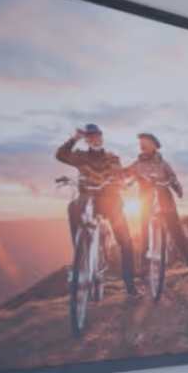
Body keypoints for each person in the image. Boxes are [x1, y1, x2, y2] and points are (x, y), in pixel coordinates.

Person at [55, 123, 136, 298]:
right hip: (88, 199)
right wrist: (73, 139)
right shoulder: (80, 156)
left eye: (97, 136)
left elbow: (121, 176)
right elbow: (61, 155)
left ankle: (130, 285)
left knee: (126, 242)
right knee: (73, 207)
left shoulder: (113, 158)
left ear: (102, 138)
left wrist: (125, 181)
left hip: (111, 202)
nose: (94, 139)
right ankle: (80, 254)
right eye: (90, 137)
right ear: (86, 140)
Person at [125, 132, 188, 282]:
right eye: (140, 143)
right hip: (145, 199)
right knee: (143, 229)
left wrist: (177, 188)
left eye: (145, 142)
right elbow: (125, 176)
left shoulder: (162, 163)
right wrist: (121, 182)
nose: (142, 145)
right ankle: (143, 267)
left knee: (176, 231)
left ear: (154, 145)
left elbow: (172, 177)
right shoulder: (137, 164)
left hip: (164, 197)